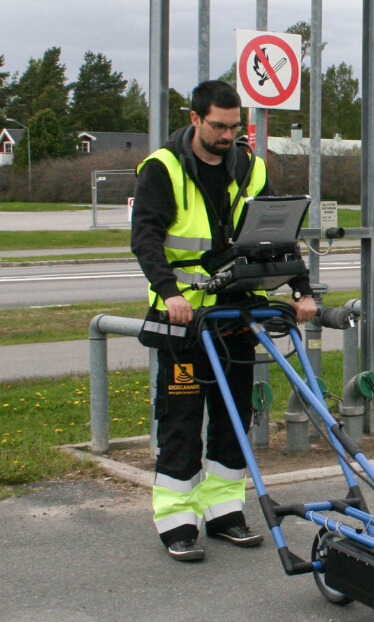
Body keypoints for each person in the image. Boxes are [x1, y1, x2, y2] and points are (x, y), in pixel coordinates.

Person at [131, 80, 317, 562]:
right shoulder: (163, 168)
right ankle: (176, 519)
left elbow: (277, 230)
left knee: (235, 416)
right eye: (218, 126)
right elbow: (146, 239)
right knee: (181, 419)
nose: (228, 136)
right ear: (195, 119)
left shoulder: (249, 166)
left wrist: (301, 290)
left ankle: (225, 511)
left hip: (235, 313)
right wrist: (170, 293)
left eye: (235, 127)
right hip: (185, 319)